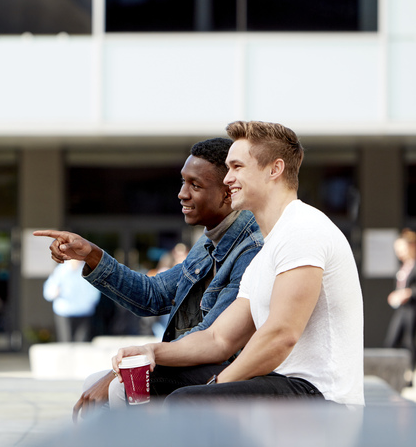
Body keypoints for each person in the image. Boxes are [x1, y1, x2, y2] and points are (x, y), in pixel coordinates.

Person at [113, 121, 364, 408]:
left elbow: (281, 335)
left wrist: (217, 385)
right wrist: (152, 351)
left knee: (187, 402)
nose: (227, 178)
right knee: (148, 382)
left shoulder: (302, 230)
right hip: (283, 384)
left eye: (237, 167)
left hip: (322, 398)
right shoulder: (268, 250)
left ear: (275, 169)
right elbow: (219, 338)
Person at [34, 138, 264, 420]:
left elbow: (213, 338)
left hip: (235, 372)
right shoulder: (209, 243)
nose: (182, 194)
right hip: (198, 362)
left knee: (119, 388)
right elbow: (152, 295)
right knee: (96, 384)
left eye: (195, 185)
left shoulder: (252, 249)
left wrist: (133, 363)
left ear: (228, 193)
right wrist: (91, 255)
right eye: (183, 182)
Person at [43, 259, 101, 342]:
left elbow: (95, 290)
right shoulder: (61, 270)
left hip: (84, 311)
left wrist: (90, 302)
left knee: (83, 342)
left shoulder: (88, 269)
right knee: (66, 341)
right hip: (65, 312)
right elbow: (49, 291)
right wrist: (54, 292)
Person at [384, 229, 416, 371]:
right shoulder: (403, 266)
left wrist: (408, 293)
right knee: (392, 339)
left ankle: (409, 372)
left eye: (401, 249)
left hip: (413, 309)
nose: (399, 253)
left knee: (410, 342)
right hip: (402, 309)